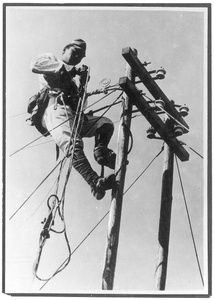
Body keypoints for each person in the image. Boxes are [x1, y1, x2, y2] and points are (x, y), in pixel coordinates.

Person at [30, 39, 116, 200]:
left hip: (74, 115)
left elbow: (81, 105)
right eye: (74, 53)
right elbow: (35, 65)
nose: (77, 57)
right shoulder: (52, 60)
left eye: (80, 56)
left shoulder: (73, 82)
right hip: (55, 109)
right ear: (65, 49)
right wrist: (69, 70)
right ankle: (94, 181)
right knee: (73, 145)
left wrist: (83, 84)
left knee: (104, 123)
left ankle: (101, 151)